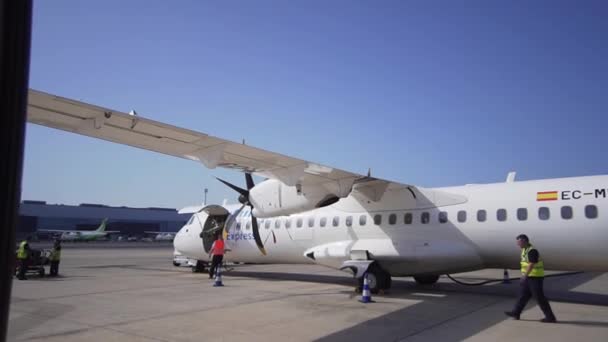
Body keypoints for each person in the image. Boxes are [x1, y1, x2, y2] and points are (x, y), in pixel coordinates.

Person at [505, 234, 557, 323]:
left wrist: (524, 276)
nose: (518, 244)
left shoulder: (532, 251)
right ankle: (516, 313)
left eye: (519, 242)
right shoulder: (524, 250)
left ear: (525, 241)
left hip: (535, 278)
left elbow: (531, 264)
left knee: (539, 298)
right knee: (522, 296)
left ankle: (550, 317)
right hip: (529, 277)